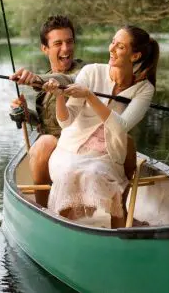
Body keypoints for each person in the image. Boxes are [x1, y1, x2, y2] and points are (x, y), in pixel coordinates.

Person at [42, 25, 158, 228]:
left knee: (95, 171)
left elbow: (120, 127)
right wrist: (60, 97)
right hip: (70, 149)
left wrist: (89, 95)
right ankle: (61, 227)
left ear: (135, 55)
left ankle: (118, 227)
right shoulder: (91, 71)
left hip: (108, 155)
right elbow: (66, 121)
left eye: (120, 46)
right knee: (69, 170)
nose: (111, 49)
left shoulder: (144, 89)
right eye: (113, 42)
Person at [9, 15, 85, 207]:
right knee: (45, 140)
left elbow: (66, 80)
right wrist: (25, 114)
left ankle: (42, 206)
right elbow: (45, 122)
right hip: (51, 146)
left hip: (79, 146)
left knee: (44, 142)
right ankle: (44, 207)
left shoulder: (84, 72)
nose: (66, 49)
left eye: (69, 42)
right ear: (45, 49)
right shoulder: (47, 80)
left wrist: (37, 79)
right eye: (58, 43)